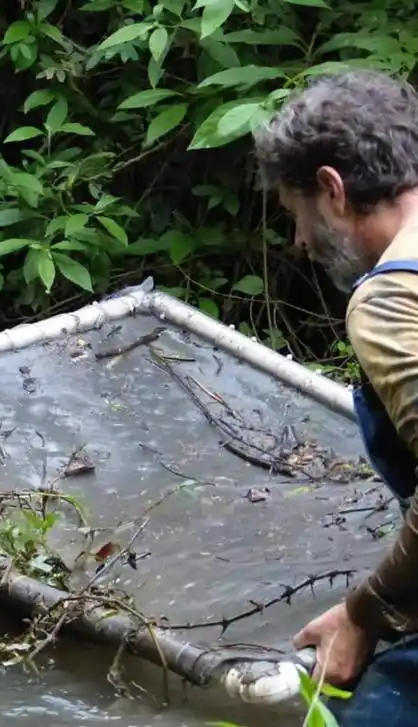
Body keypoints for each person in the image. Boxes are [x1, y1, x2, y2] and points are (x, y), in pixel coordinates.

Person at [253, 69, 418, 724]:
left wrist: (363, 612)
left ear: (333, 189)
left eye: (300, 215)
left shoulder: (392, 298)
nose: (300, 241)